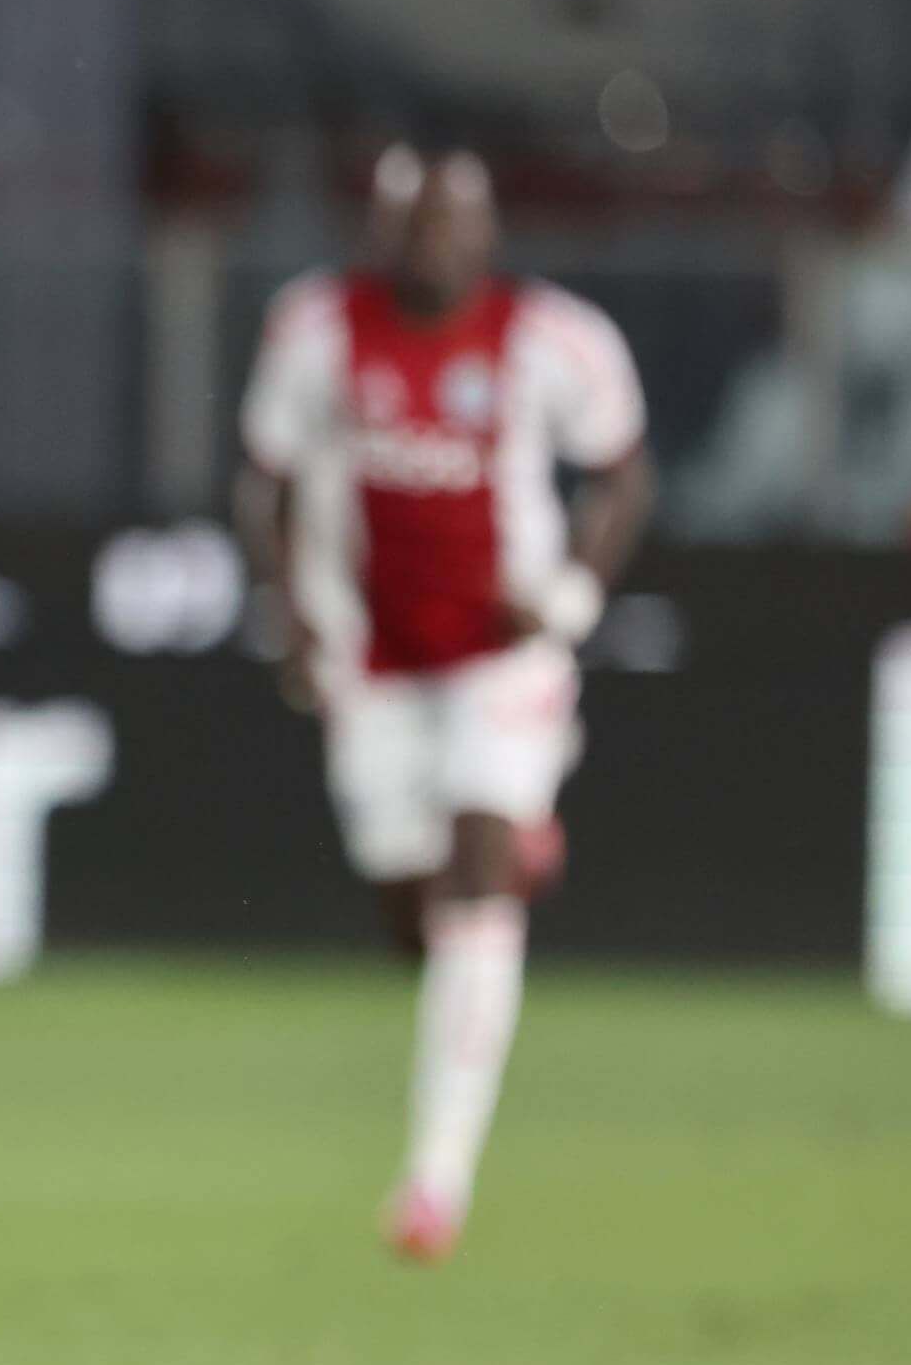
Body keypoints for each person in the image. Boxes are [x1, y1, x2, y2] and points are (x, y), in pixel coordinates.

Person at [237, 147, 653, 1264]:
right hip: (369, 660)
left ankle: (433, 1182)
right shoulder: (314, 329)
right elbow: (261, 478)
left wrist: (567, 591)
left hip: (496, 655)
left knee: (473, 869)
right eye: (409, 226)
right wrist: (289, 610)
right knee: (408, 911)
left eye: (449, 226)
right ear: (377, 230)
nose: (430, 247)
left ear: (484, 231)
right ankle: (514, 854)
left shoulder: (552, 338)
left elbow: (620, 471)